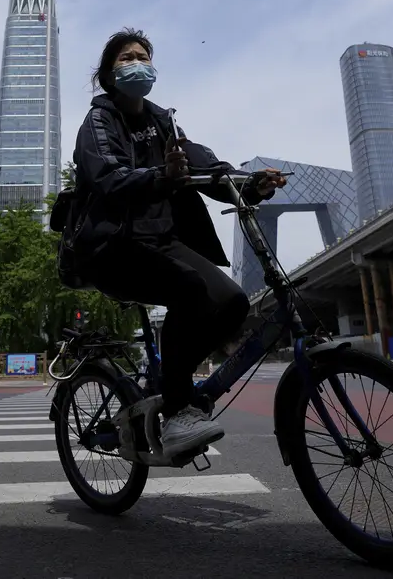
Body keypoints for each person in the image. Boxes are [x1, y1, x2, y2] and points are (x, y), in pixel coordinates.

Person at [67, 27, 287, 458]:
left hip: (162, 243)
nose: (138, 63)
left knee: (234, 302)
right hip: (113, 248)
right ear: (109, 74)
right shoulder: (98, 121)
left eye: (143, 56)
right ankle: (178, 407)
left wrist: (252, 184)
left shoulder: (163, 122)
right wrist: (160, 176)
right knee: (188, 289)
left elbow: (205, 166)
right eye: (127, 57)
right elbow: (107, 178)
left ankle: (172, 386)